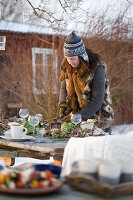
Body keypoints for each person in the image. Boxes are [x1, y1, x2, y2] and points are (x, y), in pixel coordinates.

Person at [58, 31, 114, 134]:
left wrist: (78, 117)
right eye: (68, 59)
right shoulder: (68, 67)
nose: (70, 62)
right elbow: (64, 89)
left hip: (99, 121)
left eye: (73, 59)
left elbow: (97, 101)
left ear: (81, 56)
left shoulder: (97, 69)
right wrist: (62, 107)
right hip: (79, 121)